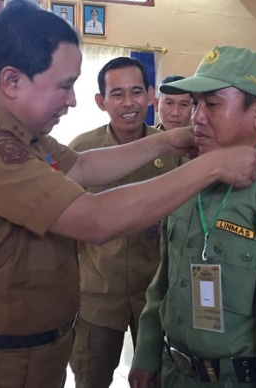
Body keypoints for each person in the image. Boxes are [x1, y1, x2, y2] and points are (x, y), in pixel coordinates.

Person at [0, 2, 256, 387]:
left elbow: (82, 167)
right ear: (11, 81)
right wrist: (211, 166)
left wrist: (168, 140)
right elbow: (95, 219)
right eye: (64, 84)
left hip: (29, 352)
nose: (71, 100)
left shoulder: (15, 129)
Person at [129, 46, 256, 388]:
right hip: (174, 374)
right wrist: (147, 353)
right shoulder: (190, 178)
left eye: (211, 104)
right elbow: (164, 279)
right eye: (196, 103)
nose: (196, 116)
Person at [68, 57, 182, 388]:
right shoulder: (81, 152)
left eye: (135, 92)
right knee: (91, 378)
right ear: (101, 101)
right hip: (97, 298)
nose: (128, 103)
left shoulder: (175, 153)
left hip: (158, 297)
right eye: (117, 94)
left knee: (156, 380)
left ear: (150, 96)